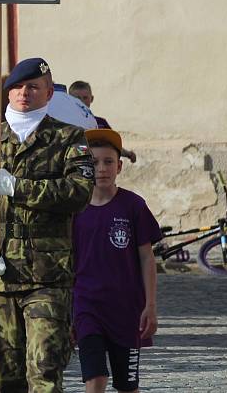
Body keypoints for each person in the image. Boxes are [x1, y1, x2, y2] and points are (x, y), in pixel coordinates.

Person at [0, 57, 95, 393]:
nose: (24, 93)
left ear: (48, 93)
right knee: (7, 377)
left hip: (47, 275)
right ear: (6, 93)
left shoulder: (68, 138)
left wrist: (19, 187)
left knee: (45, 368)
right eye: (17, 87)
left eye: (33, 87)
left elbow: (80, 192)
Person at [73, 129, 160, 393]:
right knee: (95, 378)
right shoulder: (74, 208)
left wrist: (151, 305)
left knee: (127, 385)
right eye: (94, 162)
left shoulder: (133, 206)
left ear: (119, 166)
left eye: (108, 162)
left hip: (126, 310)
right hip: (86, 306)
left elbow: (147, 258)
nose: (101, 169)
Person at [68, 81, 137, 162]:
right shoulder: (62, 122)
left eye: (85, 98)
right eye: (77, 98)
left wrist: (128, 154)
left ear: (92, 99)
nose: (82, 102)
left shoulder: (101, 123)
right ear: (68, 99)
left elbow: (113, 144)